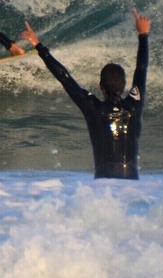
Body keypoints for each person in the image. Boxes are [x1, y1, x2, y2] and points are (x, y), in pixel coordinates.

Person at [20, 10, 150, 179]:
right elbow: (141, 68)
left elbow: (64, 78)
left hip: (104, 187)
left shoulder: (94, 108)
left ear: (101, 86)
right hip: (132, 183)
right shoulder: (134, 105)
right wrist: (143, 34)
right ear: (125, 85)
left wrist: (38, 45)